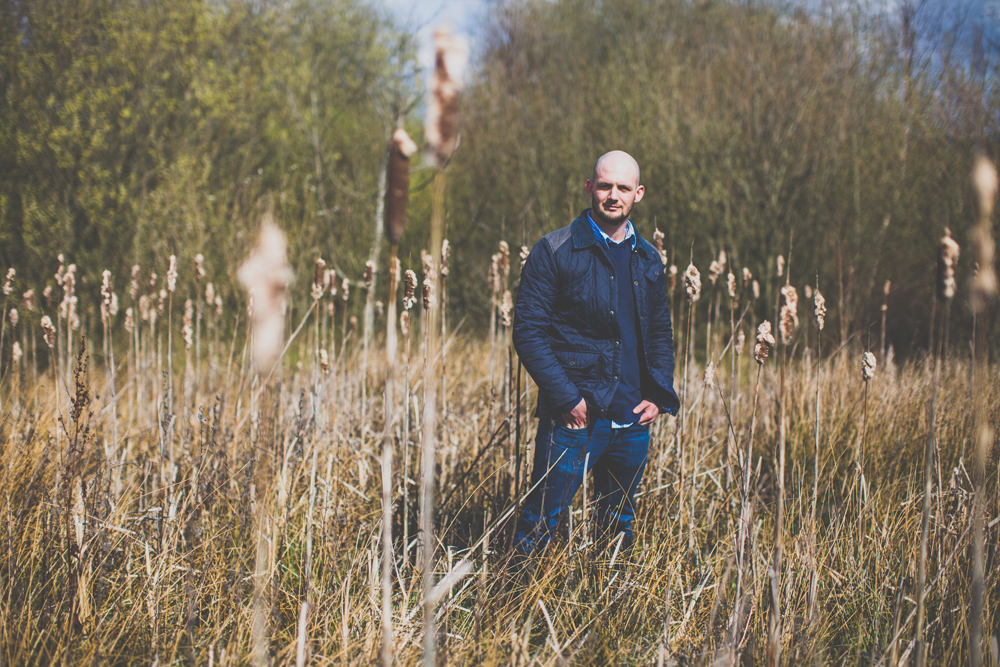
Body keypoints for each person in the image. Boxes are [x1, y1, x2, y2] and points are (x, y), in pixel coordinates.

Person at [512, 150, 679, 556]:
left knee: (619, 522)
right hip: (575, 417)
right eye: (605, 185)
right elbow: (528, 333)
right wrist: (568, 399)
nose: (613, 195)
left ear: (638, 193)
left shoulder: (648, 258)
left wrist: (658, 394)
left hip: (632, 418)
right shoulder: (555, 251)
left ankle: (611, 608)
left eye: (623, 187)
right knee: (542, 522)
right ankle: (514, 608)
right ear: (590, 188)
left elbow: (659, 333)